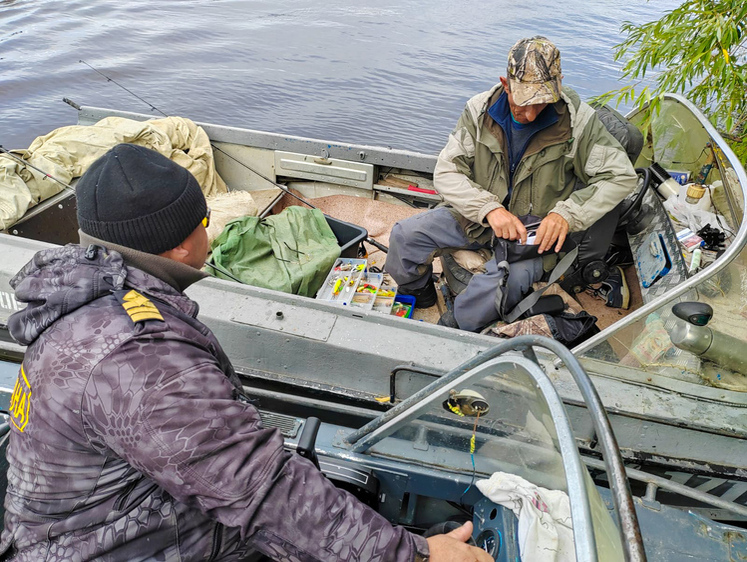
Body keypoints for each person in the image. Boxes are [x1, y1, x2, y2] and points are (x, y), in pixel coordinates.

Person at [0, 143, 493, 562]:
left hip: (128, 521)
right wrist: (416, 556)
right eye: (204, 220)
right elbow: (263, 495)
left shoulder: (83, 297)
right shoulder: (138, 356)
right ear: (177, 247)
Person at [386, 36, 638, 332]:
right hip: (478, 217)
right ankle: (420, 294)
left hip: (535, 238)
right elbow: (447, 171)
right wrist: (489, 209)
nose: (531, 114)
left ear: (558, 85)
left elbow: (619, 177)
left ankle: (453, 327)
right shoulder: (478, 111)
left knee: (498, 287)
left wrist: (566, 215)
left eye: (541, 103)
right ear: (505, 84)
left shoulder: (579, 122)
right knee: (406, 235)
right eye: (523, 103)